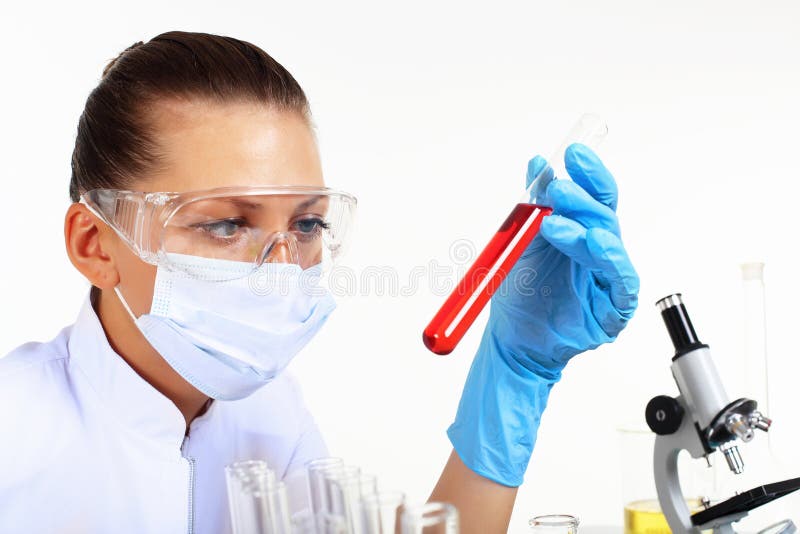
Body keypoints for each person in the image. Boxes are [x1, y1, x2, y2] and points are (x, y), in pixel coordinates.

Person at [0, 31, 639, 533]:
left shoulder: (269, 415)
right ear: (95, 245)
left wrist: (513, 377)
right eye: (225, 224)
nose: (281, 269)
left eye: (306, 224)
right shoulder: (15, 430)